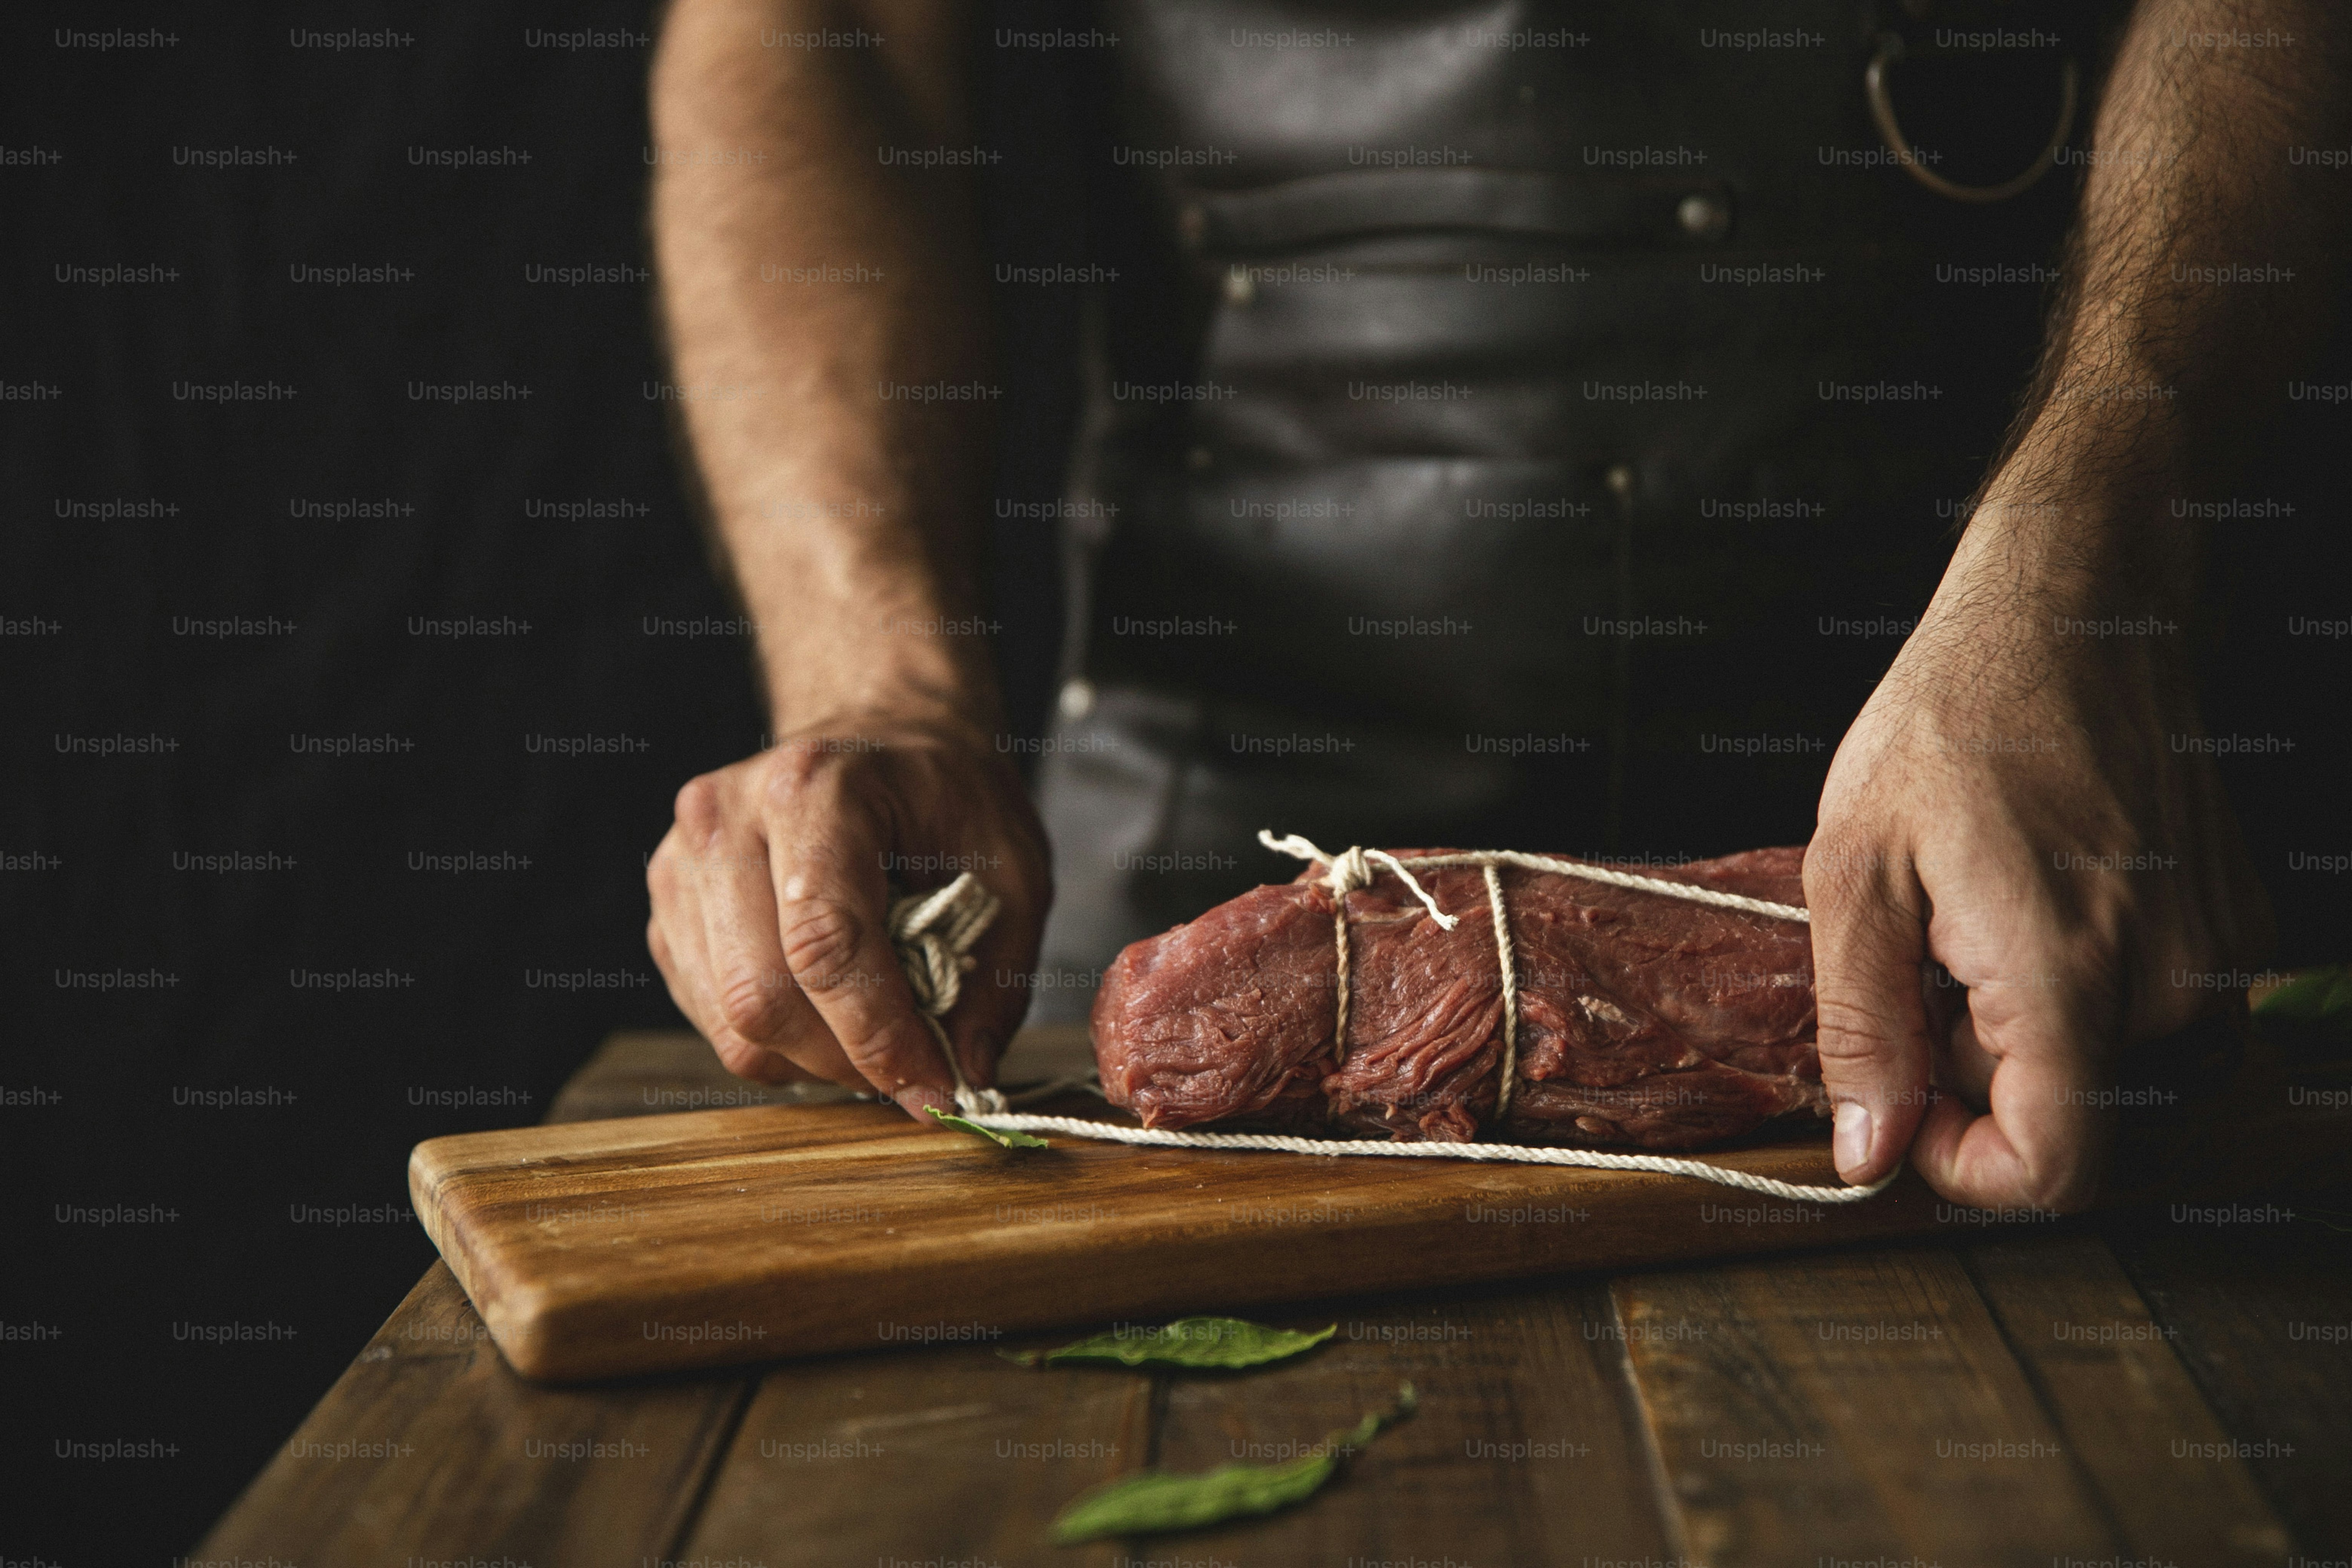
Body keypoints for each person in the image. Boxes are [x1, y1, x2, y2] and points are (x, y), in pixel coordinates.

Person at [641, 0, 2343, 1211]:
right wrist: (880, 679)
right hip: (1199, 903)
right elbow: (819, 29)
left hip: (2015, 876)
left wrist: (2078, 568)